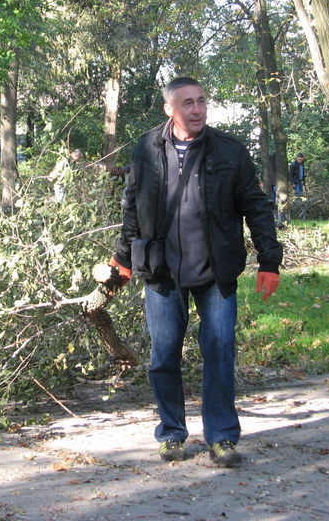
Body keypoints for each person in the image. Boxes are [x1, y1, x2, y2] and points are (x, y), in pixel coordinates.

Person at [109, 77, 282, 467]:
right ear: (170, 109)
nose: (198, 109)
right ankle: (171, 433)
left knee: (220, 351)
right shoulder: (148, 147)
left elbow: (256, 207)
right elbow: (132, 207)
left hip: (215, 271)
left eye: (202, 101)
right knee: (164, 353)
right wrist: (121, 259)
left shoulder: (230, 151)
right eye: (188, 103)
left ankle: (222, 437)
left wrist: (268, 261)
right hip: (161, 271)